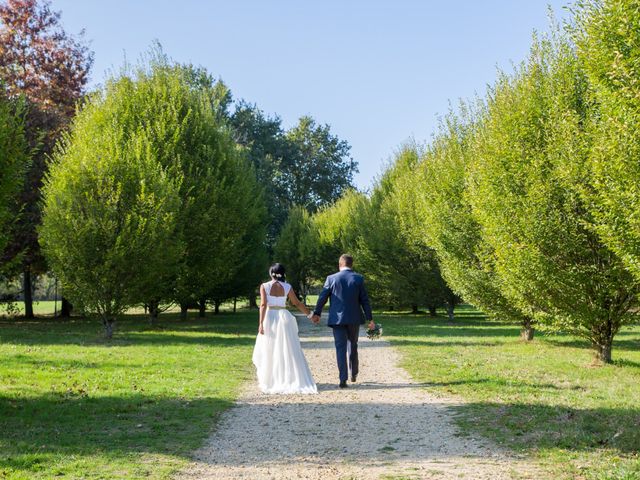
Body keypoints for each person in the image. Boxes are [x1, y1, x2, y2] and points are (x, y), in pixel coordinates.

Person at [252, 263, 317, 394]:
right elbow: (297, 303)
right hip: (283, 317)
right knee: (287, 348)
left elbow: (263, 305)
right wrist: (310, 315)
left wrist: (260, 323)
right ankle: (288, 377)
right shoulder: (287, 287)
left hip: (270, 317)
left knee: (269, 348)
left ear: (271, 273)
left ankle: (272, 379)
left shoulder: (264, 286)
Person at [311, 254, 374, 388]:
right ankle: (353, 373)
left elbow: (323, 297)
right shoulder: (358, 278)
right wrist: (370, 318)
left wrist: (317, 313)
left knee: (340, 348)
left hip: (337, 319)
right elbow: (364, 300)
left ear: (340, 264)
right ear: (352, 264)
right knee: (353, 345)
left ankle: (342, 378)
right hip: (354, 318)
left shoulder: (331, 278)